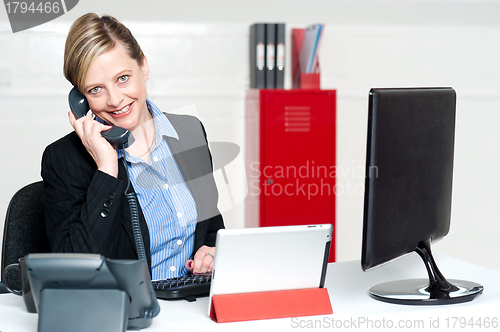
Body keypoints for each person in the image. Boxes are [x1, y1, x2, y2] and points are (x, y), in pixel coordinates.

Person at [41, 13, 224, 280]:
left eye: (123, 78)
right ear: (79, 99)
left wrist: (212, 253)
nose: (115, 100)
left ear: (144, 67)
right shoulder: (64, 159)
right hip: (126, 314)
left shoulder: (190, 132)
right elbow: (71, 272)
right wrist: (106, 169)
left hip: (193, 305)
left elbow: (212, 231)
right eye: (95, 89)